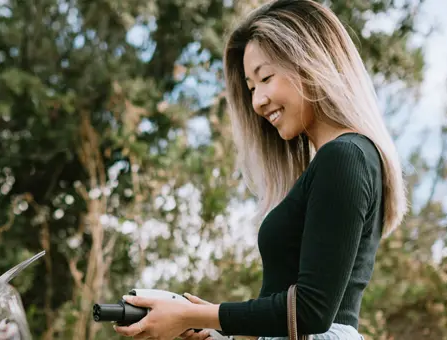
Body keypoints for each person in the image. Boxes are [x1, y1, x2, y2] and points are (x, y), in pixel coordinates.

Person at [113, 0, 407, 339]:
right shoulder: (336, 161)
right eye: (251, 88)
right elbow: (292, 319)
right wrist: (214, 331)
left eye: (266, 78)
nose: (257, 102)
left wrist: (196, 314)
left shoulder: (345, 156)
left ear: (311, 62)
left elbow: (311, 313)